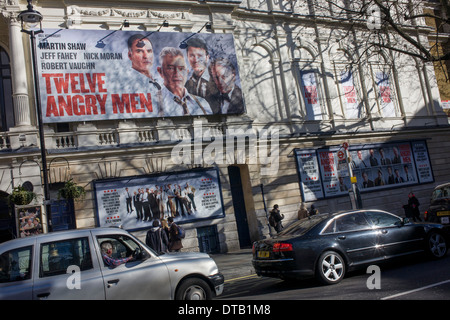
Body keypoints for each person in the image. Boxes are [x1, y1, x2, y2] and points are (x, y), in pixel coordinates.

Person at [157, 47, 212, 116]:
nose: (177, 73)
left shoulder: (202, 103)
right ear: (160, 72)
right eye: (170, 68)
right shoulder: (154, 102)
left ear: (187, 72)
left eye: (181, 68)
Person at [184, 37, 219, 108]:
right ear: (187, 57)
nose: (196, 60)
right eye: (191, 56)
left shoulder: (218, 81)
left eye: (200, 56)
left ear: (207, 58)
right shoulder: (187, 85)